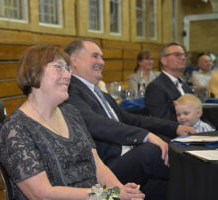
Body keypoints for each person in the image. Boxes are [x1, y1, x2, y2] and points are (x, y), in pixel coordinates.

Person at [0, 45, 145, 200]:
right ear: (35, 71)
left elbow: (97, 165)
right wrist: (108, 195)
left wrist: (120, 190)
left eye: (67, 68)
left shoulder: (71, 113)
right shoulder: (16, 128)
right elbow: (42, 194)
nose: (68, 75)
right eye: (59, 68)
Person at [64, 39, 196, 200]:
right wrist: (146, 136)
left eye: (102, 57)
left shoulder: (101, 94)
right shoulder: (69, 90)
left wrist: (174, 128)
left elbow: (132, 120)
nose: (102, 62)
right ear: (75, 60)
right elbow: (94, 123)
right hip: (103, 169)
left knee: (166, 184)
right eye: (95, 56)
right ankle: (203, 177)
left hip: (126, 159)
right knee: (153, 151)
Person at [145, 42, 193, 122]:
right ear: (164, 60)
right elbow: (163, 120)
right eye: (177, 55)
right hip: (176, 133)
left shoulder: (186, 86)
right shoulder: (155, 88)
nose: (183, 58)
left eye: (184, 55)